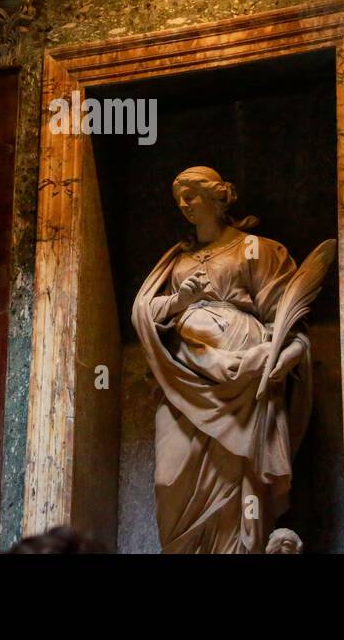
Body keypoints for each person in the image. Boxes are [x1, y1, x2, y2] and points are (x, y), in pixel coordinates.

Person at [132, 166, 333, 553]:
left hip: (244, 373)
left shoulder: (256, 249)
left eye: (191, 195)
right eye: (179, 198)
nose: (184, 204)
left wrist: (288, 357)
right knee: (168, 478)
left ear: (217, 197)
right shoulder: (175, 261)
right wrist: (179, 301)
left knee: (239, 477)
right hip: (182, 376)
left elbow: (287, 322)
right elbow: (144, 316)